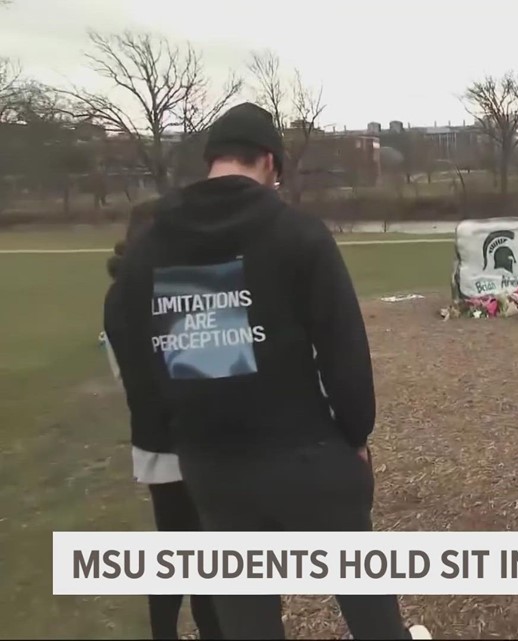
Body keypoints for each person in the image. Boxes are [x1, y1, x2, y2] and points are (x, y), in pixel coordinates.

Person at [106, 103, 430, 641]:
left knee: (248, 622)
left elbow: (133, 343)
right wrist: (356, 433)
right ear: (270, 163)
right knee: (371, 612)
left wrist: (178, 435)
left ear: (211, 160)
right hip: (306, 451)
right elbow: (343, 347)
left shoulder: (153, 243)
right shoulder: (297, 233)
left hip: (213, 467)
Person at [103, 201, 225, 641]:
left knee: (176, 545)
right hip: (190, 442)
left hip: (155, 441)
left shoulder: (120, 293)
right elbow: (205, 369)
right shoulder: (173, 287)